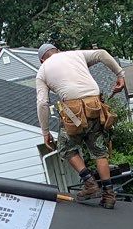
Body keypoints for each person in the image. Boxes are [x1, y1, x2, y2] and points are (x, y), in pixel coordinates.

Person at [35, 43, 127, 208]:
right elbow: (102, 53)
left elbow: (42, 103)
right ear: (58, 51)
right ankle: (109, 195)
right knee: (99, 151)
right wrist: (120, 74)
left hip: (73, 114)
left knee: (65, 147)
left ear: (42, 60)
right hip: (95, 106)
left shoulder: (43, 71)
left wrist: (45, 131)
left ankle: (90, 183)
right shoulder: (75, 55)